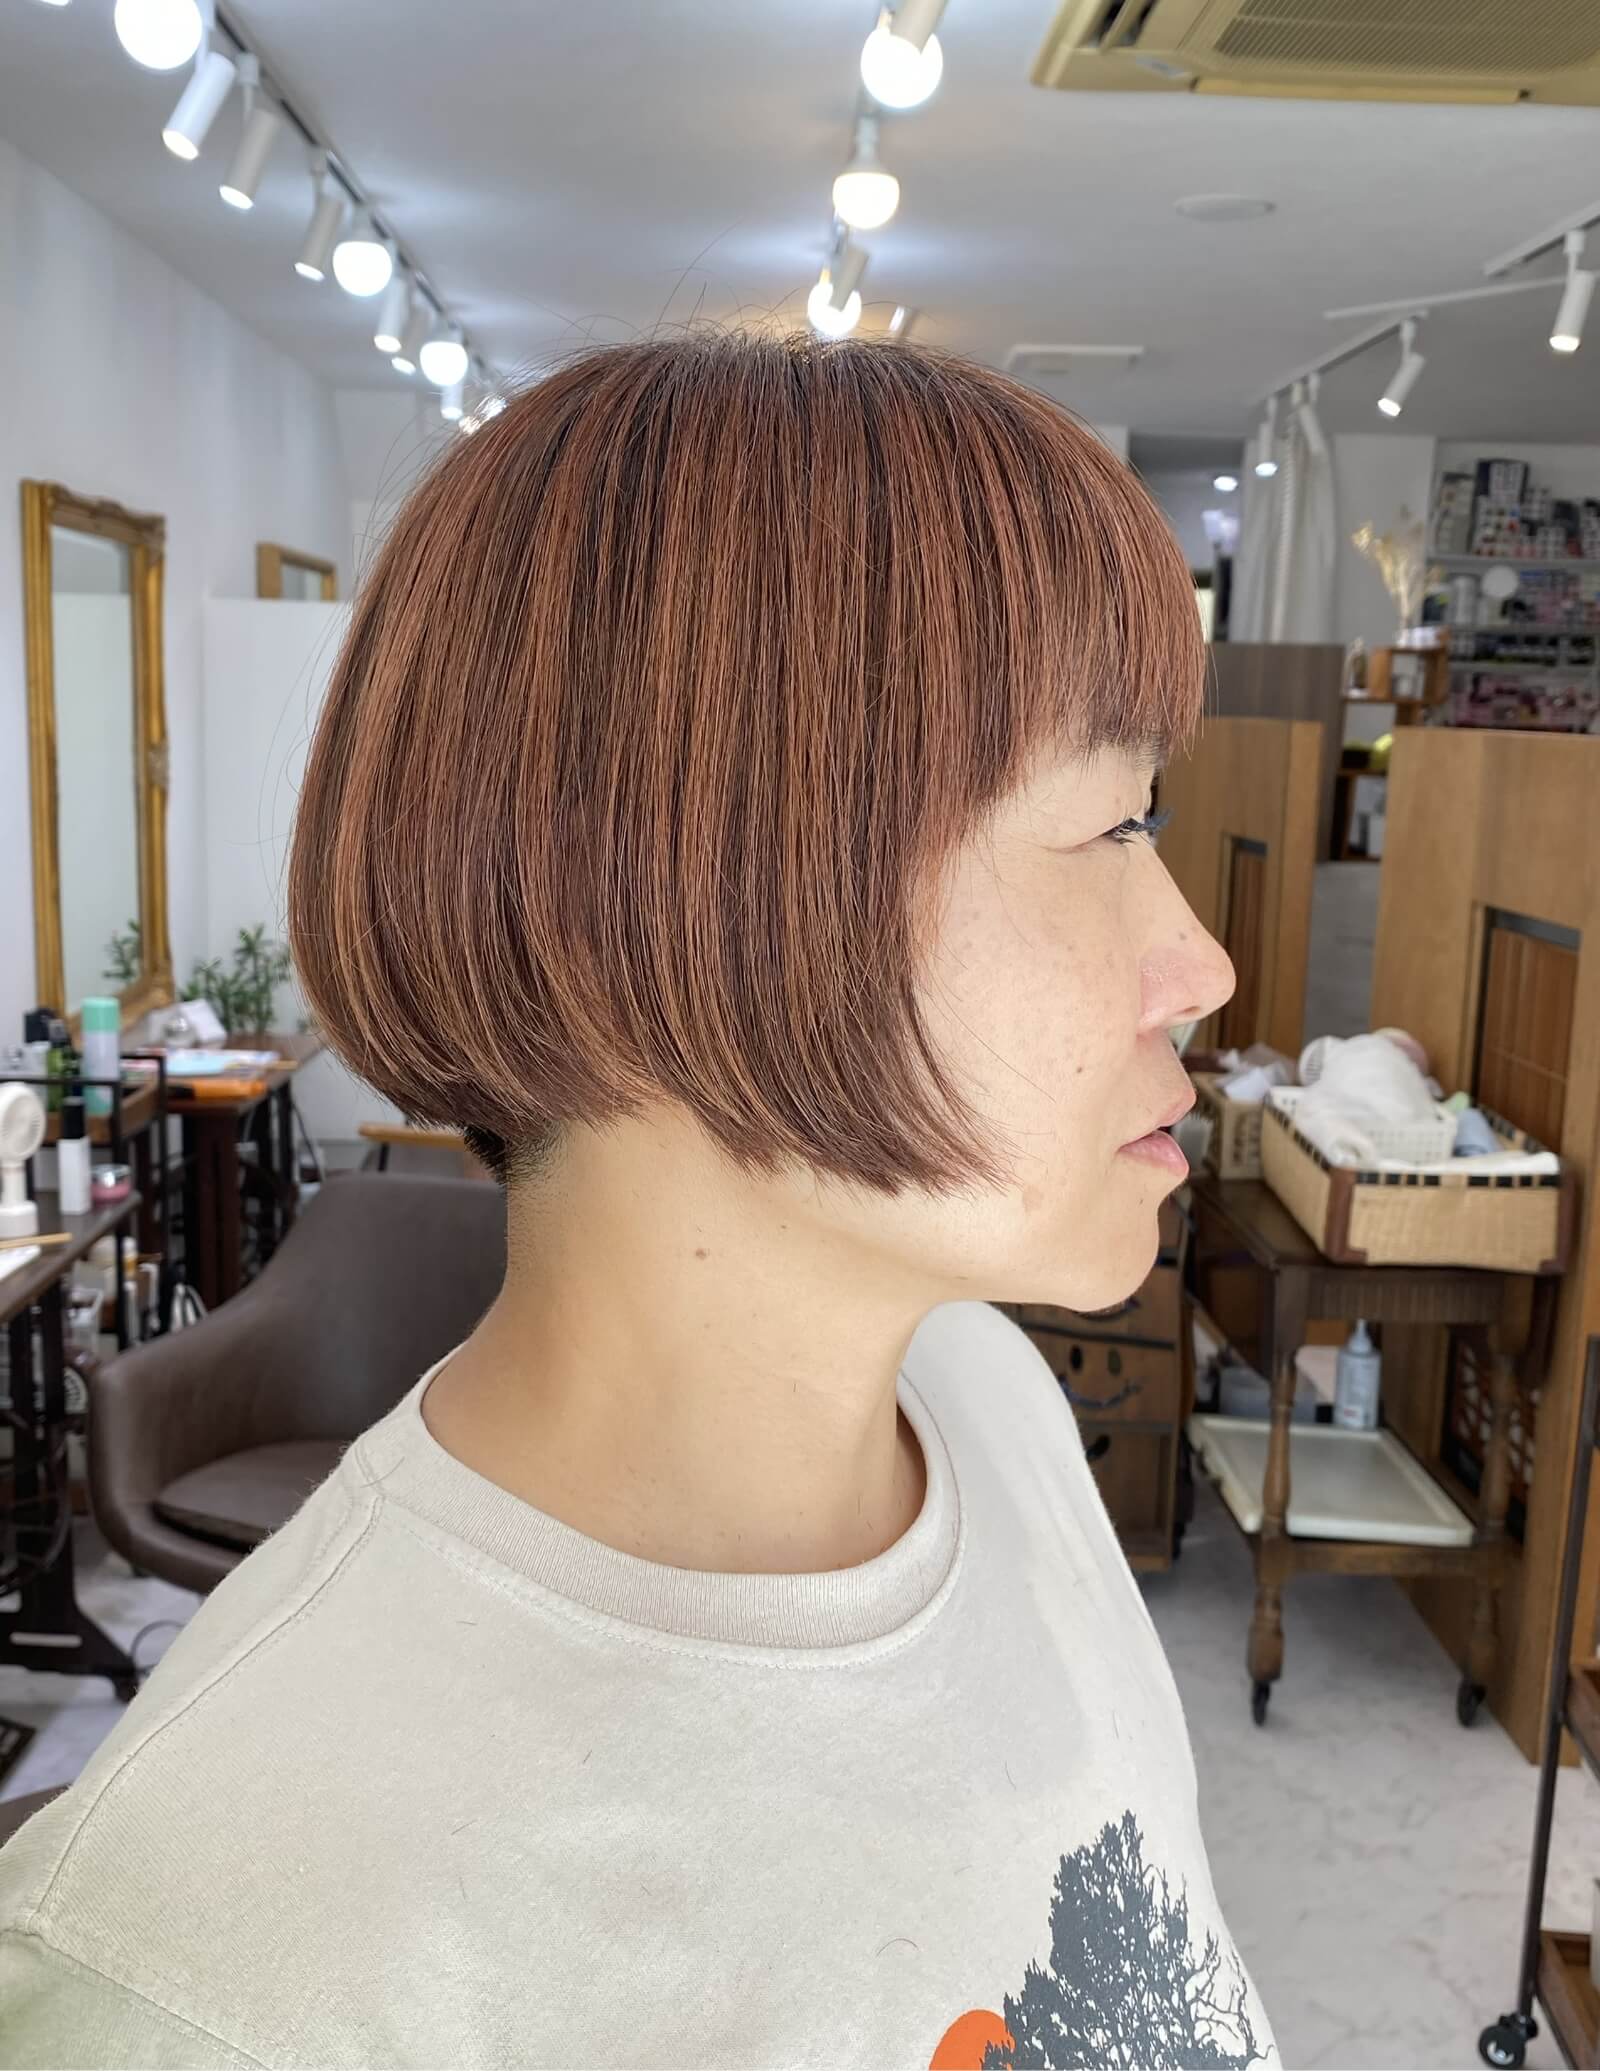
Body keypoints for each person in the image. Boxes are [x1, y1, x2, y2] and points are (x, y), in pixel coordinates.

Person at [0, 335, 1275, 2071]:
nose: (1200, 963)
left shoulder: (989, 1394)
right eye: (1112, 823)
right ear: (688, 908)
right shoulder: (212, 1974)